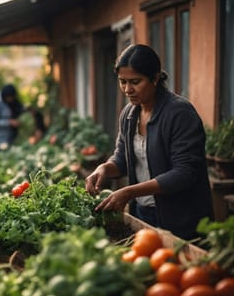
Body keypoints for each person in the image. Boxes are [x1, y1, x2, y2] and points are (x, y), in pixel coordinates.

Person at [85, 44, 213, 240]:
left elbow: (185, 173)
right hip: (142, 213)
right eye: (122, 82)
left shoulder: (179, 114)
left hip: (180, 218)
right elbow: (123, 159)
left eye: (135, 82)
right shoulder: (129, 114)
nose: (128, 89)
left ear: (155, 78)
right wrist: (104, 168)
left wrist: (129, 192)